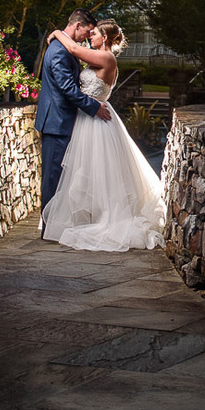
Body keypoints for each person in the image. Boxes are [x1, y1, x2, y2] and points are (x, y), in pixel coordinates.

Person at [39, 18, 165, 251]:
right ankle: (85, 216)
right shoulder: (96, 54)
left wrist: (57, 31)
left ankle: (102, 218)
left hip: (96, 117)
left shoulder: (107, 58)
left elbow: (74, 49)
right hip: (86, 118)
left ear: (104, 38)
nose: (90, 36)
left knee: (99, 170)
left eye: (94, 33)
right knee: (85, 171)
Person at [34, 9, 113, 233]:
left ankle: (59, 224)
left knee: (63, 176)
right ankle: (49, 228)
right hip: (57, 122)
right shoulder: (59, 50)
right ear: (78, 25)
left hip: (66, 121)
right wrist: (93, 107)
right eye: (86, 32)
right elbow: (67, 89)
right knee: (53, 176)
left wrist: (57, 33)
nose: (87, 37)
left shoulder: (65, 46)